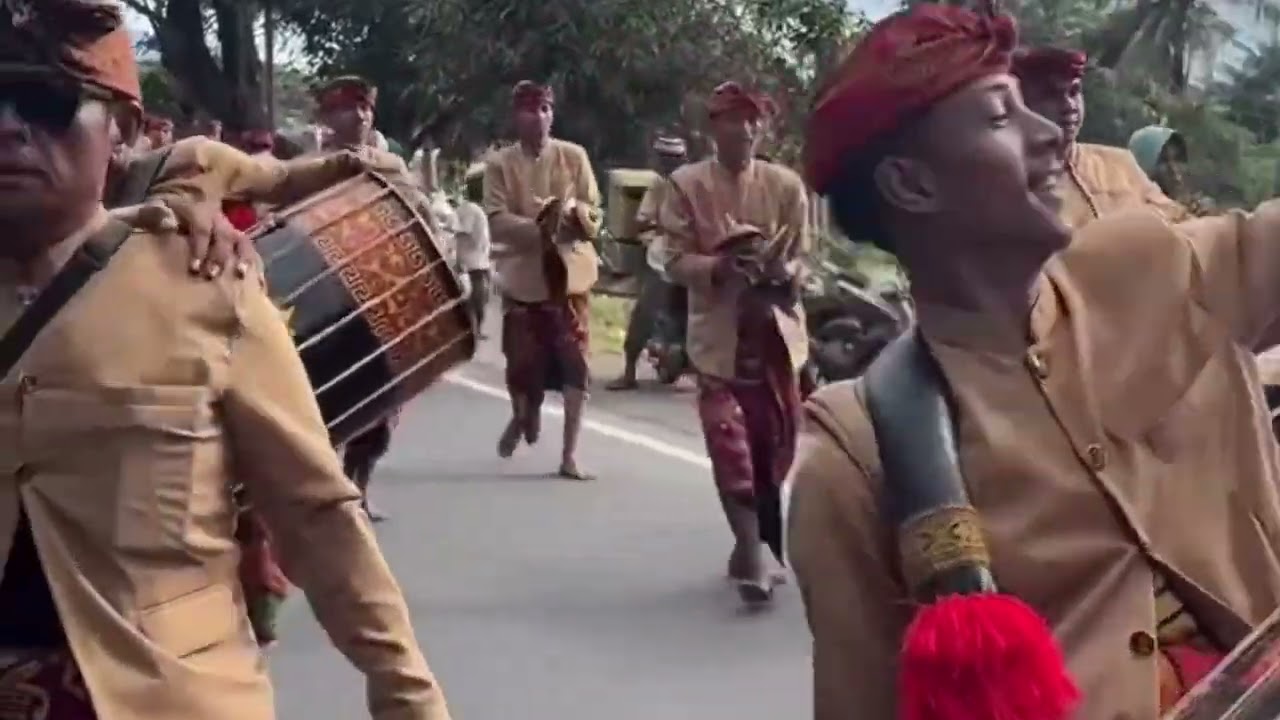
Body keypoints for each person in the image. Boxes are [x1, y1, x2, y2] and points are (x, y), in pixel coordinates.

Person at [787, 4, 1280, 719]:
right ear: (912, 185)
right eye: (999, 117)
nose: (1050, 135)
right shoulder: (856, 458)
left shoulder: (1151, 264)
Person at [0, 2, 450, 719]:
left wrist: (406, 692)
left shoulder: (209, 285)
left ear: (119, 128)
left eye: (45, 104)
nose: (8, 127)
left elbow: (315, 515)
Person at [659, 82, 809, 606]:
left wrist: (785, 271)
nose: (743, 130)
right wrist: (720, 268)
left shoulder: (787, 185)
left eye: (752, 121)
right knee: (730, 446)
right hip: (718, 342)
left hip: (774, 341)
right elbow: (672, 259)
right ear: (712, 127)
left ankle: (759, 545)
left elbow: (804, 257)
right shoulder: (685, 184)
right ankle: (751, 552)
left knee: (775, 453)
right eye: (731, 120)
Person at [312, 74, 428, 521]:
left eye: (365, 108)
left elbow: (420, 220)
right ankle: (328, 493)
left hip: (378, 300)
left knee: (378, 410)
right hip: (326, 304)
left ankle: (360, 487)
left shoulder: (392, 167)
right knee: (324, 404)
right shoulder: (310, 170)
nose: (359, 115)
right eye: (348, 107)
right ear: (328, 117)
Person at [486, 80, 602, 481]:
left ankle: (570, 455)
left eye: (545, 110)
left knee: (577, 366)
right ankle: (522, 415)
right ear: (515, 117)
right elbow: (496, 219)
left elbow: (594, 209)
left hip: (570, 277)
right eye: (529, 111)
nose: (538, 118)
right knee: (522, 367)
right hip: (524, 277)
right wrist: (540, 229)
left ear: (553, 114)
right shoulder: (500, 163)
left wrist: (574, 217)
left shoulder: (574, 156)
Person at [1011, 46, 1188, 227]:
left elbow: (1178, 222)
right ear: (1019, 103)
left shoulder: (1120, 163)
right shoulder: (1007, 183)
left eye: (1074, 92)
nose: (1069, 106)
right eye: (1051, 95)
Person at [607, 134, 689, 391]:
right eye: (665, 159)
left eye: (673, 159)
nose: (668, 164)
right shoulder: (658, 186)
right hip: (662, 257)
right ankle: (630, 370)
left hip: (693, 255)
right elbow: (643, 220)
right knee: (646, 310)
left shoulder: (695, 183)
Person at [455, 162, 492, 335]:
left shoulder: (476, 209)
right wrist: (459, 260)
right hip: (473, 265)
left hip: (480, 262)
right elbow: (462, 234)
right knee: (477, 300)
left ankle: (476, 330)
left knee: (481, 300)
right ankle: (473, 331)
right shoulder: (471, 209)